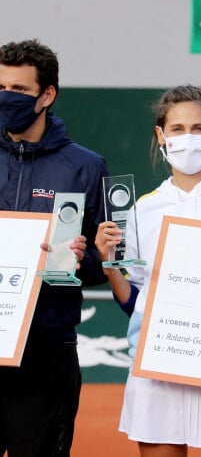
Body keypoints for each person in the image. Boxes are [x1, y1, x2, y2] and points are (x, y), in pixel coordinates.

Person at [95, 84, 201, 457]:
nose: (187, 138)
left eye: (196, 128)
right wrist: (110, 266)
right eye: (177, 129)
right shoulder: (141, 209)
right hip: (157, 369)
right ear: (161, 135)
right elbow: (135, 303)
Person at [0, 39, 110, 456]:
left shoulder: (85, 166)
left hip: (45, 351)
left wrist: (86, 257)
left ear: (47, 95)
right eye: (0, 87)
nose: (6, 97)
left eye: (19, 90)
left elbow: (105, 263)